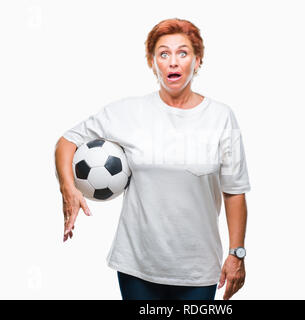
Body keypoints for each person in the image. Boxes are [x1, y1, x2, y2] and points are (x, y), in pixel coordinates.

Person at [55, 18, 251, 300]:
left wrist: (237, 253)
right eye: (164, 53)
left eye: (183, 53)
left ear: (197, 62)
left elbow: (234, 191)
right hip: (137, 266)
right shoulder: (128, 112)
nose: (173, 62)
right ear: (152, 62)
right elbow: (67, 141)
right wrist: (68, 187)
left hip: (198, 269)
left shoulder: (221, 117)